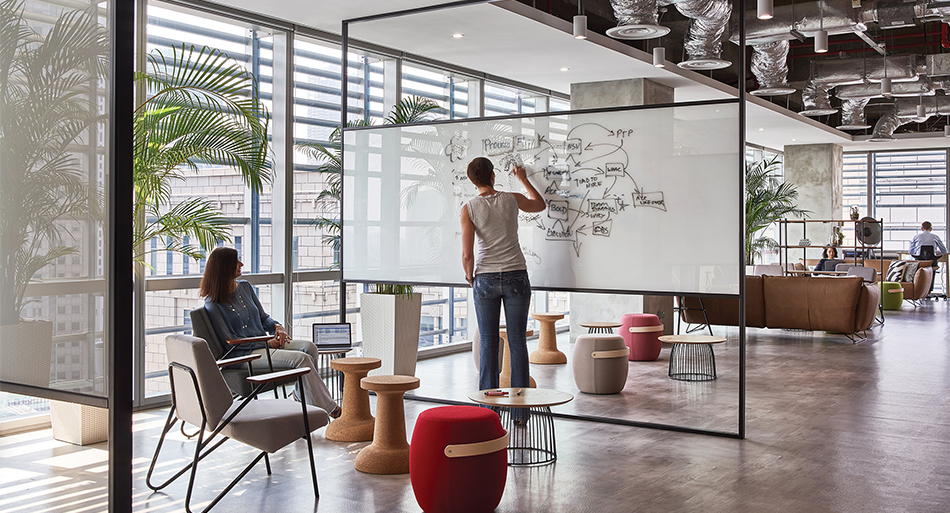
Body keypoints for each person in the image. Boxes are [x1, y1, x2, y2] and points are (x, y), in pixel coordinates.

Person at [200, 247, 341, 418]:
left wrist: (277, 327)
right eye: (236, 261)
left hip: (264, 344)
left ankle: (300, 396)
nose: (241, 264)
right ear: (224, 268)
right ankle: (327, 408)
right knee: (301, 359)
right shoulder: (213, 304)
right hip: (244, 355)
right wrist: (266, 343)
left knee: (309, 348)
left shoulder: (245, 287)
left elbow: (263, 318)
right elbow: (230, 342)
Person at [461, 157, 545, 400]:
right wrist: (523, 180)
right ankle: (520, 409)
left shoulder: (469, 208)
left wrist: (470, 277)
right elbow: (539, 204)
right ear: (493, 175)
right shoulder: (512, 198)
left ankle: (489, 408)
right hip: (516, 275)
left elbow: (467, 253)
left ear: (472, 181)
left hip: (485, 278)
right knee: (517, 342)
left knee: (488, 343)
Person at [909, 221, 947, 294]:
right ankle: (929, 291)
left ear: (922, 228)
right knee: (931, 269)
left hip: (920, 263)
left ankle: (920, 291)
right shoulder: (935, 236)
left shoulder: (916, 236)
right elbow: (944, 251)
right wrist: (937, 251)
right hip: (931, 263)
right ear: (931, 229)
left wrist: (917, 251)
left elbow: (910, 251)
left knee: (920, 269)